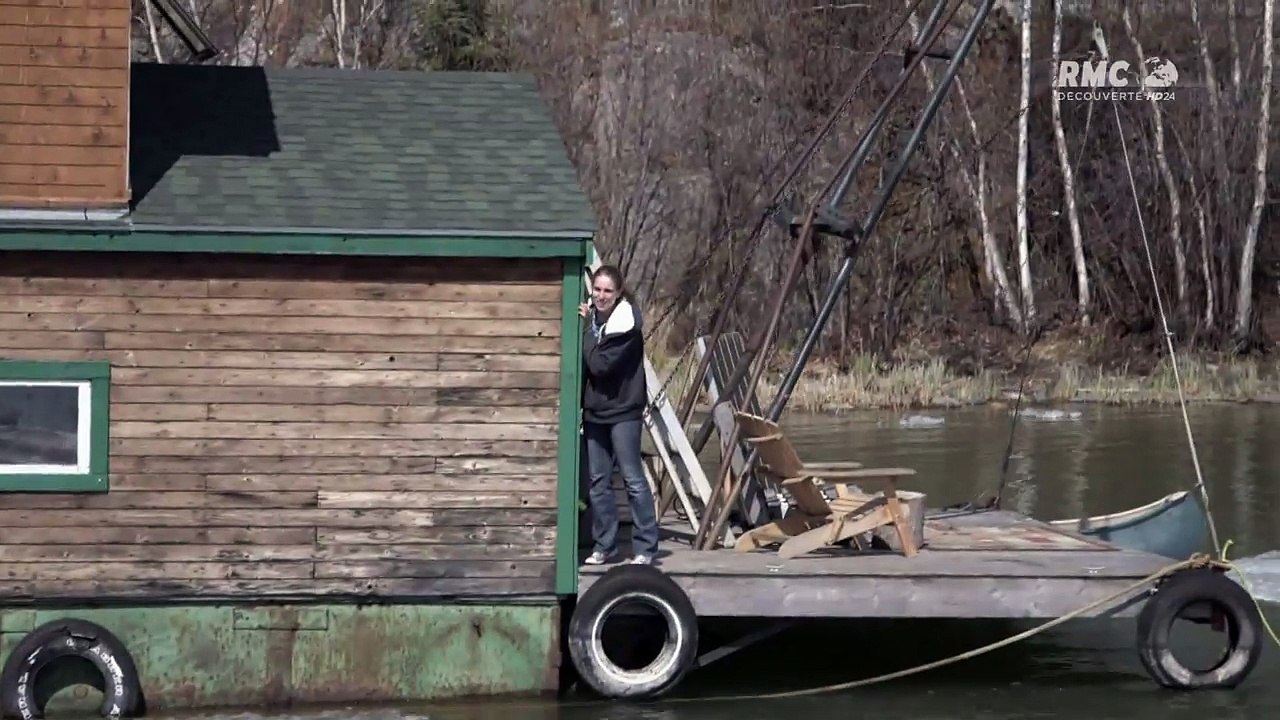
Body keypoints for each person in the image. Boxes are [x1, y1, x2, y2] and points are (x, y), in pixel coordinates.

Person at [578, 264, 658, 566]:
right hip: (596, 411)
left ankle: (646, 548)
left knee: (632, 479)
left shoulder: (626, 327)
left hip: (624, 411)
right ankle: (605, 546)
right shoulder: (593, 320)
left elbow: (599, 365)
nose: (601, 296)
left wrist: (585, 332)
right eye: (597, 289)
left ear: (618, 293)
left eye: (607, 291)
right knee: (598, 481)